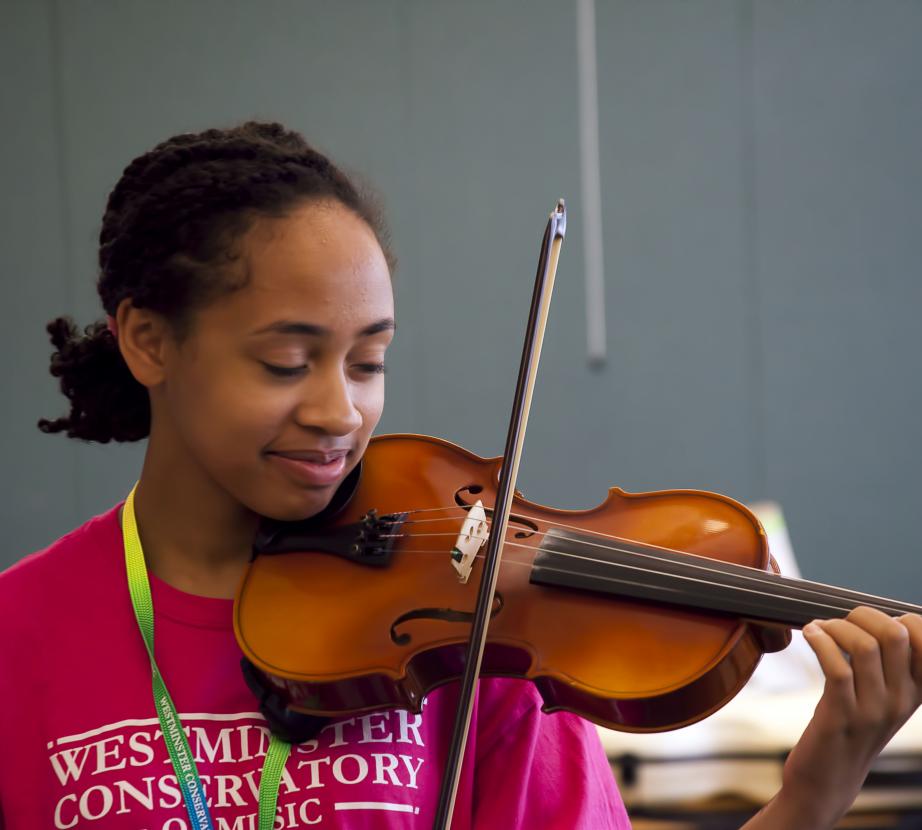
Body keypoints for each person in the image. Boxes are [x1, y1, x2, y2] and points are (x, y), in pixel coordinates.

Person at [0, 121, 918, 830]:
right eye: (286, 361)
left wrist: (817, 788)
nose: (339, 412)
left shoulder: (470, 633)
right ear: (148, 340)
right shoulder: (19, 636)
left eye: (368, 362)